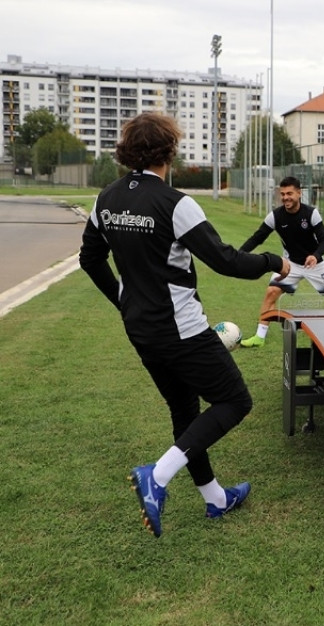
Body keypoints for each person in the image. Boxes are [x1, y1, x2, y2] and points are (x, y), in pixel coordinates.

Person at [78, 112, 291, 538]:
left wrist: (123, 300)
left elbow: (90, 258)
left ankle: (216, 499)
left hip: (141, 329)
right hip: (182, 331)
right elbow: (226, 261)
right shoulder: (175, 203)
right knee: (235, 401)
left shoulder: (107, 199)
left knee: (184, 411)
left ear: (127, 151)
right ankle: (156, 475)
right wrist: (274, 261)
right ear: (169, 151)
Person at [239, 176, 324, 347]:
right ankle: (259, 337)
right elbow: (257, 238)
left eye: (289, 194)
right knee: (271, 292)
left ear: (299, 193)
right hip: (290, 264)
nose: (285, 198)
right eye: (282, 194)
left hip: (315, 264)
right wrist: (239, 254)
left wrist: (315, 255)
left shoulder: (311, 214)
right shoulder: (275, 216)